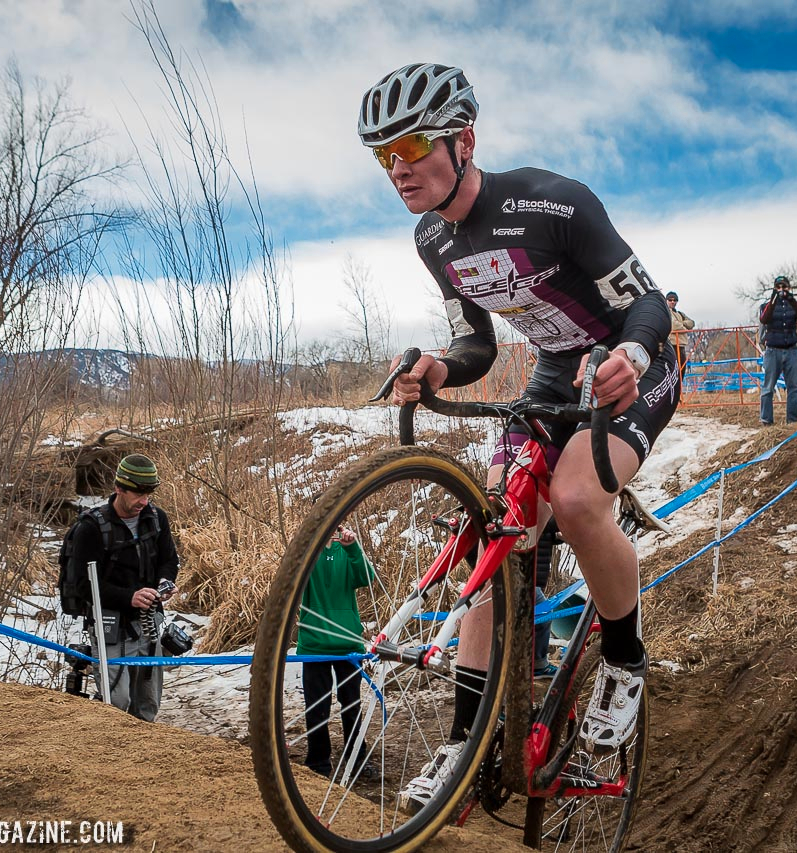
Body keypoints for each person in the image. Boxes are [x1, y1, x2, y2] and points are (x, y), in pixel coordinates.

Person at [358, 63, 678, 809]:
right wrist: (439, 366)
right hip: (553, 372)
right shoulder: (432, 239)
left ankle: (625, 662)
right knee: (494, 535)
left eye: (409, 146)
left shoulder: (553, 203)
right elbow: (478, 347)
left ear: (463, 140)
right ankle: (462, 746)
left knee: (572, 496)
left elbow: (651, 308)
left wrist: (629, 358)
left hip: (630, 362)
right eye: (383, 156)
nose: (397, 169)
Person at [68, 453, 180, 721]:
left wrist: (165, 581)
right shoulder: (91, 527)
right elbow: (82, 585)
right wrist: (130, 597)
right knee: (116, 703)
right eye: (138, 494)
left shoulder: (156, 518)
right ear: (119, 488)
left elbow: (169, 559)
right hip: (110, 628)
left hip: (149, 622)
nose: (144, 501)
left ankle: (142, 758)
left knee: (148, 703)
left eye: (149, 494)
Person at [297, 524, 377, 780]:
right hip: (314, 644)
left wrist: (353, 547)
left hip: (347, 642)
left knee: (351, 704)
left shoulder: (347, 548)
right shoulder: (305, 550)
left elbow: (367, 578)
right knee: (316, 706)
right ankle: (318, 763)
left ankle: (357, 759)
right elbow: (292, 586)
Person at [758, 275, 797, 424]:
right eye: (778, 287)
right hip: (773, 350)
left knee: (794, 386)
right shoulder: (767, 305)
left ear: (789, 288)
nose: (781, 290)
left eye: (784, 287)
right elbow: (764, 319)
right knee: (768, 387)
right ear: (774, 288)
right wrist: (774, 299)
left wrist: (791, 299)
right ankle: (766, 420)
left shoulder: (793, 304)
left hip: (791, 350)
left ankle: (792, 420)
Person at [665, 291, 695, 380]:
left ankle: (679, 391)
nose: (672, 302)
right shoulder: (666, 312)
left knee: (681, 371)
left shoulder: (680, 314)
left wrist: (681, 324)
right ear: (666, 300)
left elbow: (692, 323)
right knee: (673, 371)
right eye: (670, 300)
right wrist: (685, 328)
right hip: (672, 345)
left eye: (674, 300)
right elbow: (674, 326)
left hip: (681, 345)